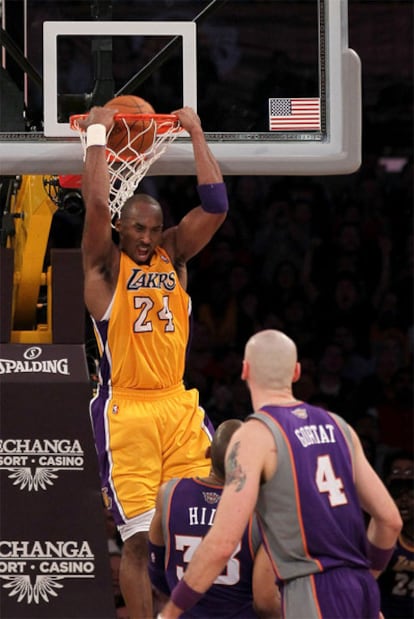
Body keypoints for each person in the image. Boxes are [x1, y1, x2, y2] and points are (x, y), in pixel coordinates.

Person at [79, 105, 229, 619]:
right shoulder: (104, 265)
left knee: (220, 514)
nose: (146, 238)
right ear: (123, 226)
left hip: (177, 404)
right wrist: (97, 132)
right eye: (137, 228)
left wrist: (196, 134)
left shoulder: (174, 257)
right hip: (127, 411)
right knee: (139, 542)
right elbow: (96, 205)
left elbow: (216, 205)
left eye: (153, 229)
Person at [159, 329, 403, 619]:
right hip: (362, 593)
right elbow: (389, 520)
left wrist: (171, 610)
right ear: (297, 372)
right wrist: (364, 577)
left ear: (245, 370)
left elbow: (223, 543)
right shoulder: (339, 426)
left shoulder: (254, 435)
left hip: (311, 591)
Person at [148, 418, 280, 618]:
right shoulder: (263, 509)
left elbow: (156, 569)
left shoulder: (169, 494)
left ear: (207, 453)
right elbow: (266, 603)